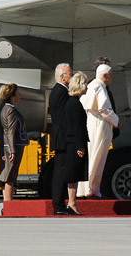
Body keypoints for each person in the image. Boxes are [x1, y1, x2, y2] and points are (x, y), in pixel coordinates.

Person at [78, 64, 118, 198]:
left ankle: (88, 188)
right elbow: (104, 108)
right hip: (99, 125)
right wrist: (116, 120)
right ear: (105, 76)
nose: (111, 78)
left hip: (91, 123)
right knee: (97, 157)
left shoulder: (91, 85)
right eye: (110, 75)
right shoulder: (99, 86)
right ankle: (93, 189)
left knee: (92, 157)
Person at [57, 71, 89, 215]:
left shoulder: (71, 103)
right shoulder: (75, 104)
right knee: (73, 175)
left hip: (72, 143)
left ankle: (72, 202)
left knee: (73, 175)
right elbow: (77, 127)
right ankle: (72, 203)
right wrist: (80, 145)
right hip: (75, 144)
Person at [49, 62, 73, 215]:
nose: (72, 76)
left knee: (60, 171)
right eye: (70, 74)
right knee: (60, 172)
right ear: (63, 77)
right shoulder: (61, 92)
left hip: (59, 137)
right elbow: (64, 118)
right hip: (63, 138)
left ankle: (59, 204)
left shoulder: (57, 91)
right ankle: (58, 205)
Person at [0, 84, 28, 202]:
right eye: (18, 94)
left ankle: (8, 202)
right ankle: (8, 203)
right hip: (14, 145)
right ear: (12, 96)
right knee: (11, 175)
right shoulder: (10, 110)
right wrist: (12, 150)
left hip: (12, 145)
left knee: (11, 173)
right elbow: (10, 131)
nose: (20, 96)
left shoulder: (7, 108)